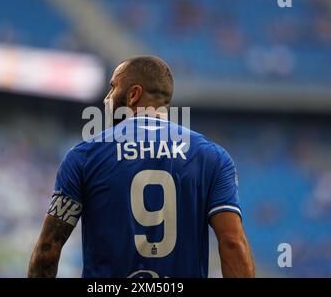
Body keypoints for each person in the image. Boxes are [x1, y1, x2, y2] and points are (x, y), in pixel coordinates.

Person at [28, 56, 255, 278]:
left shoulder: (84, 156)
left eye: (113, 88)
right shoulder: (212, 157)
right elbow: (232, 243)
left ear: (133, 95)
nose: (107, 98)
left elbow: (48, 250)